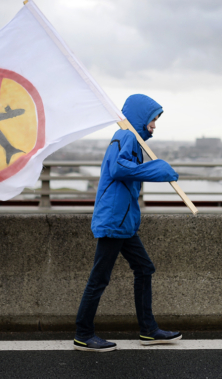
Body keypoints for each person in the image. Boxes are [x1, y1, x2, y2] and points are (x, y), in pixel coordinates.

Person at [73, 94, 182, 352]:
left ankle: (149, 330)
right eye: (153, 119)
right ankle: (83, 333)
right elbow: (119, 169)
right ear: (140, 117)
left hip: (123, 222)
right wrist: (158, 170)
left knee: (144, 268)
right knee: (99, 279)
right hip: (114, 221)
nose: (155, 125)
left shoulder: (128, 137)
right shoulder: (127, 136)